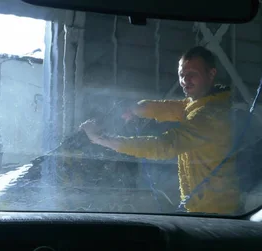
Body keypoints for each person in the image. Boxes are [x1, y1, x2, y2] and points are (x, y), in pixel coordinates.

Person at [80, 46, 240, 214]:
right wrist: (133, 108)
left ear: (211, 73)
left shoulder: (210, 115)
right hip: (205, 211)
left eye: (192, 74)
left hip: (217, 214)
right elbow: (169, 108)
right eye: (181, 75)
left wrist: (101, 139)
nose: (185, 80)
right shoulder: (201, 103)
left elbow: (164, 146)